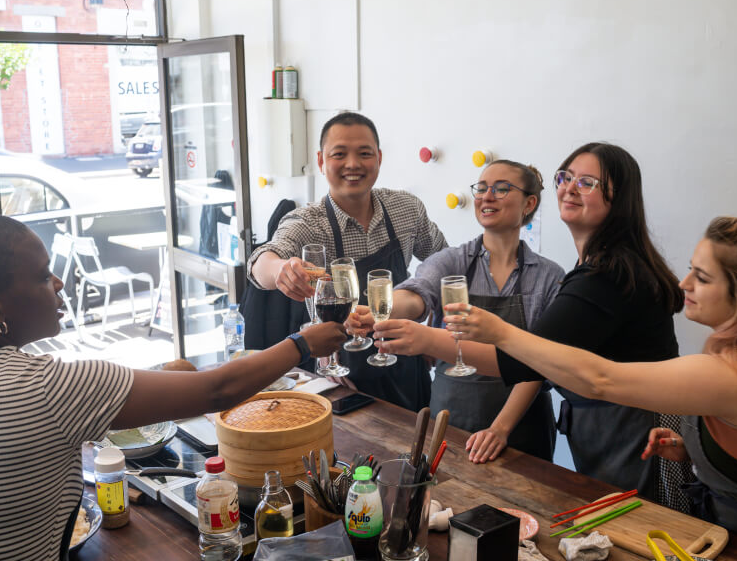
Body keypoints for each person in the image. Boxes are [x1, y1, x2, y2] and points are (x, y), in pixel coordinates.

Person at [0, 213, 346, 561]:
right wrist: (303, 343)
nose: (59, 284)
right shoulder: (47, 387)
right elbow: (216, 390)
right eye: (42, 275)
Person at [370, 143, 685, 503]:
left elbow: (530, 360)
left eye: (587, 182)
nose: (569, 187)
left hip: (634, 433)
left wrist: (430, 339)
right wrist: (384, 307)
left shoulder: (600, 276)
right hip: (596, 428)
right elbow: (418, 291)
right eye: (565, 178)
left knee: (636, 528)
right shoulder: (596, 267)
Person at [444, 216, 737, 532]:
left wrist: (501, 333)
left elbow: (600, 379)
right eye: (690, 268)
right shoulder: (723, 357)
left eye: (704, 278)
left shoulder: (727, 372)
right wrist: (693, 450)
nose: (685, 284)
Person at [349, 160, 564, 463]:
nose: (486, 197)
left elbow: (540, 363)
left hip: (521, 430)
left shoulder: (548, 277)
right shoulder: (451, 262)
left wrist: (500, 428)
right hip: (451, 420)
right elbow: (417, 294)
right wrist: (381, 310)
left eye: (501, 189)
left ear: (529, 203)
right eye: (481, 188)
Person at [247, 111, 447, 411]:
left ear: (378, 158)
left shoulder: (406, 209)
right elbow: (261, 262)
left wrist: (437, 329)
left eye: (364, 153)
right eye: (339, 154)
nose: (353, 164)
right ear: (321, 161)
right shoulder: (308, 222)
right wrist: (280, 270)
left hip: (405, 361)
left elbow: (445, 264)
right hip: (340, 377)